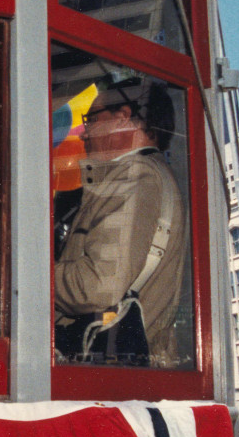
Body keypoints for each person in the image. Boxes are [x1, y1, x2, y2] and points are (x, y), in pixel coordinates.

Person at [53, 79, 187, 366]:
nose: (84, 132)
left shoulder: (134, 176)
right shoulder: (142, 175)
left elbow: (99, 286)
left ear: (123, 117)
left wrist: (33, 279)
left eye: (91, 119)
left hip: (111, 369)